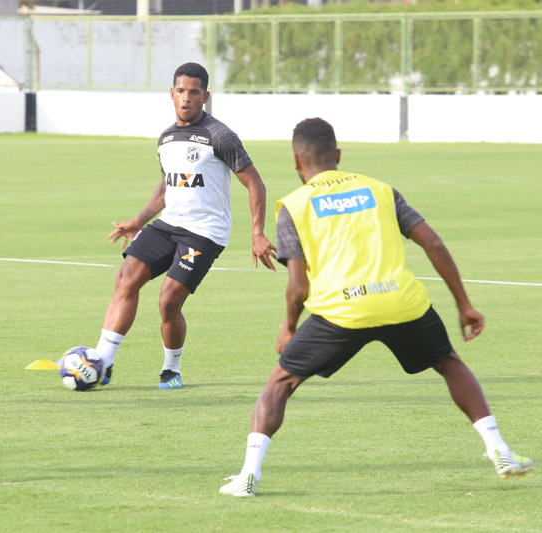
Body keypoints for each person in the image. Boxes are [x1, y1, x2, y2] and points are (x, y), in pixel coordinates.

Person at [219, 117, 532, 497]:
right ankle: (499, 450)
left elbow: (298, 285)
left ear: (297, 163)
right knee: (449, 362)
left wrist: (289, 327)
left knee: (280, 383)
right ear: (337, 155)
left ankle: (248, 476)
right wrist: (464, 305)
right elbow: (432, 244)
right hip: (401, 302)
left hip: (341, 312)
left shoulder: (295, 205)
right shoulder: (380, 190)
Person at [94, 62, 277, 389]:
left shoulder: (220, 136)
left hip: (206, 232)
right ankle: (102, 362)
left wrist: (257, 232)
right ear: (171, 93)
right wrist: (137, 222)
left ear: (205, 96)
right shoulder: (166, 137)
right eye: (181, 91)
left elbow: (255, 183)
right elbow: (166, 187)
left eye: (194, 92)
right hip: (169, 225)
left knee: (168, 301)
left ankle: (171, 369)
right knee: (126, 278)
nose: (186, 98)